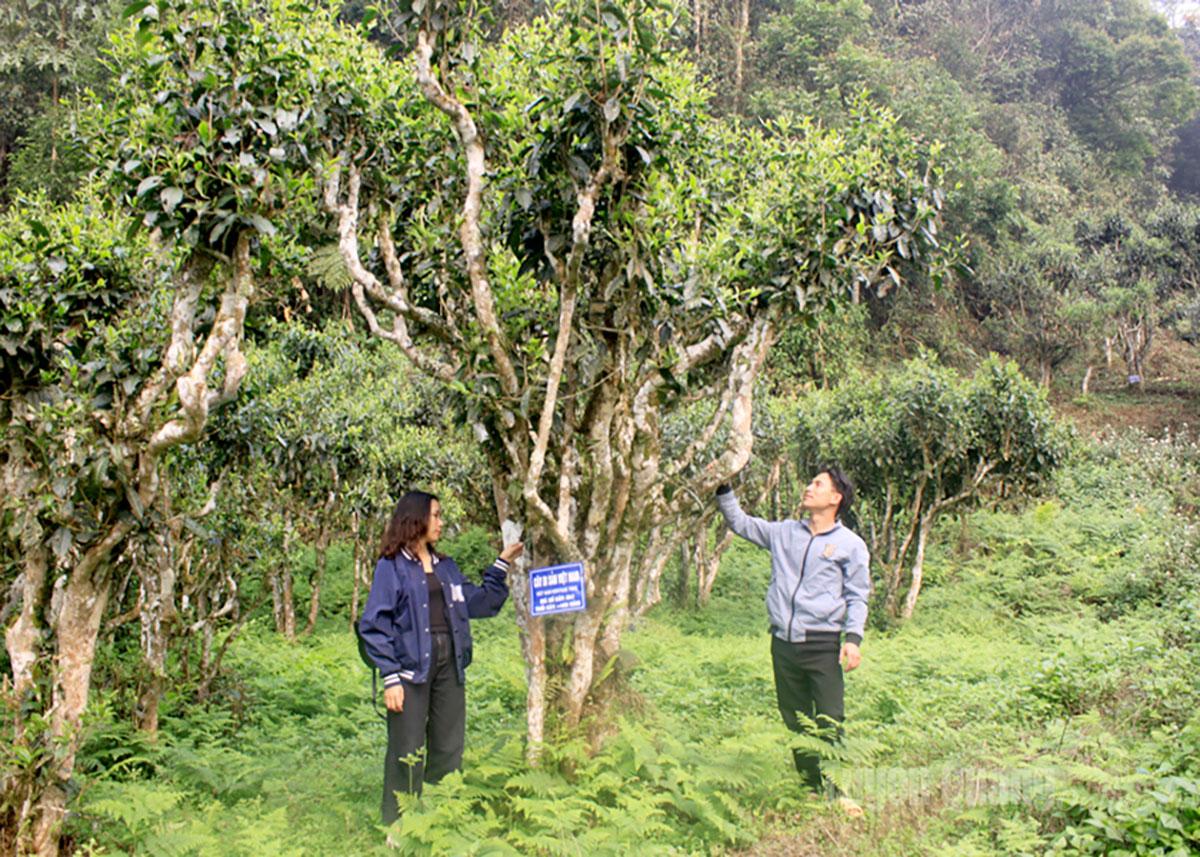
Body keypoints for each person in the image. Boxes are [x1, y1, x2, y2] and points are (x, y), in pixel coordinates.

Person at [358, 491, 523, 826]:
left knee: (449, 743)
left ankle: (441, 816)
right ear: (416, 518)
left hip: (450, 663)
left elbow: (479, 602)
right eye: (436, 515)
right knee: (407, 747)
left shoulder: (446, 568)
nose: (441, 522)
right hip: (410, 668)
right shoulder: (391, 567)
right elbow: (374, 624)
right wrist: (390, 676)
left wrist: (502, 563)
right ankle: (399, 823)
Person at [716, 466, 870, 796]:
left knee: (829, 718)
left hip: (822, 643)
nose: (808, 488)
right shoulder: (784, 532)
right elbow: (741, 523)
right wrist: (723, 488)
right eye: (810, 481)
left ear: (835, 498)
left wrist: (853, 640)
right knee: (796, 719)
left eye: (818, 484)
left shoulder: (850, 545)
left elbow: (858, 595)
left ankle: (836, 790)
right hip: (783, 643)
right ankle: (810, 786)